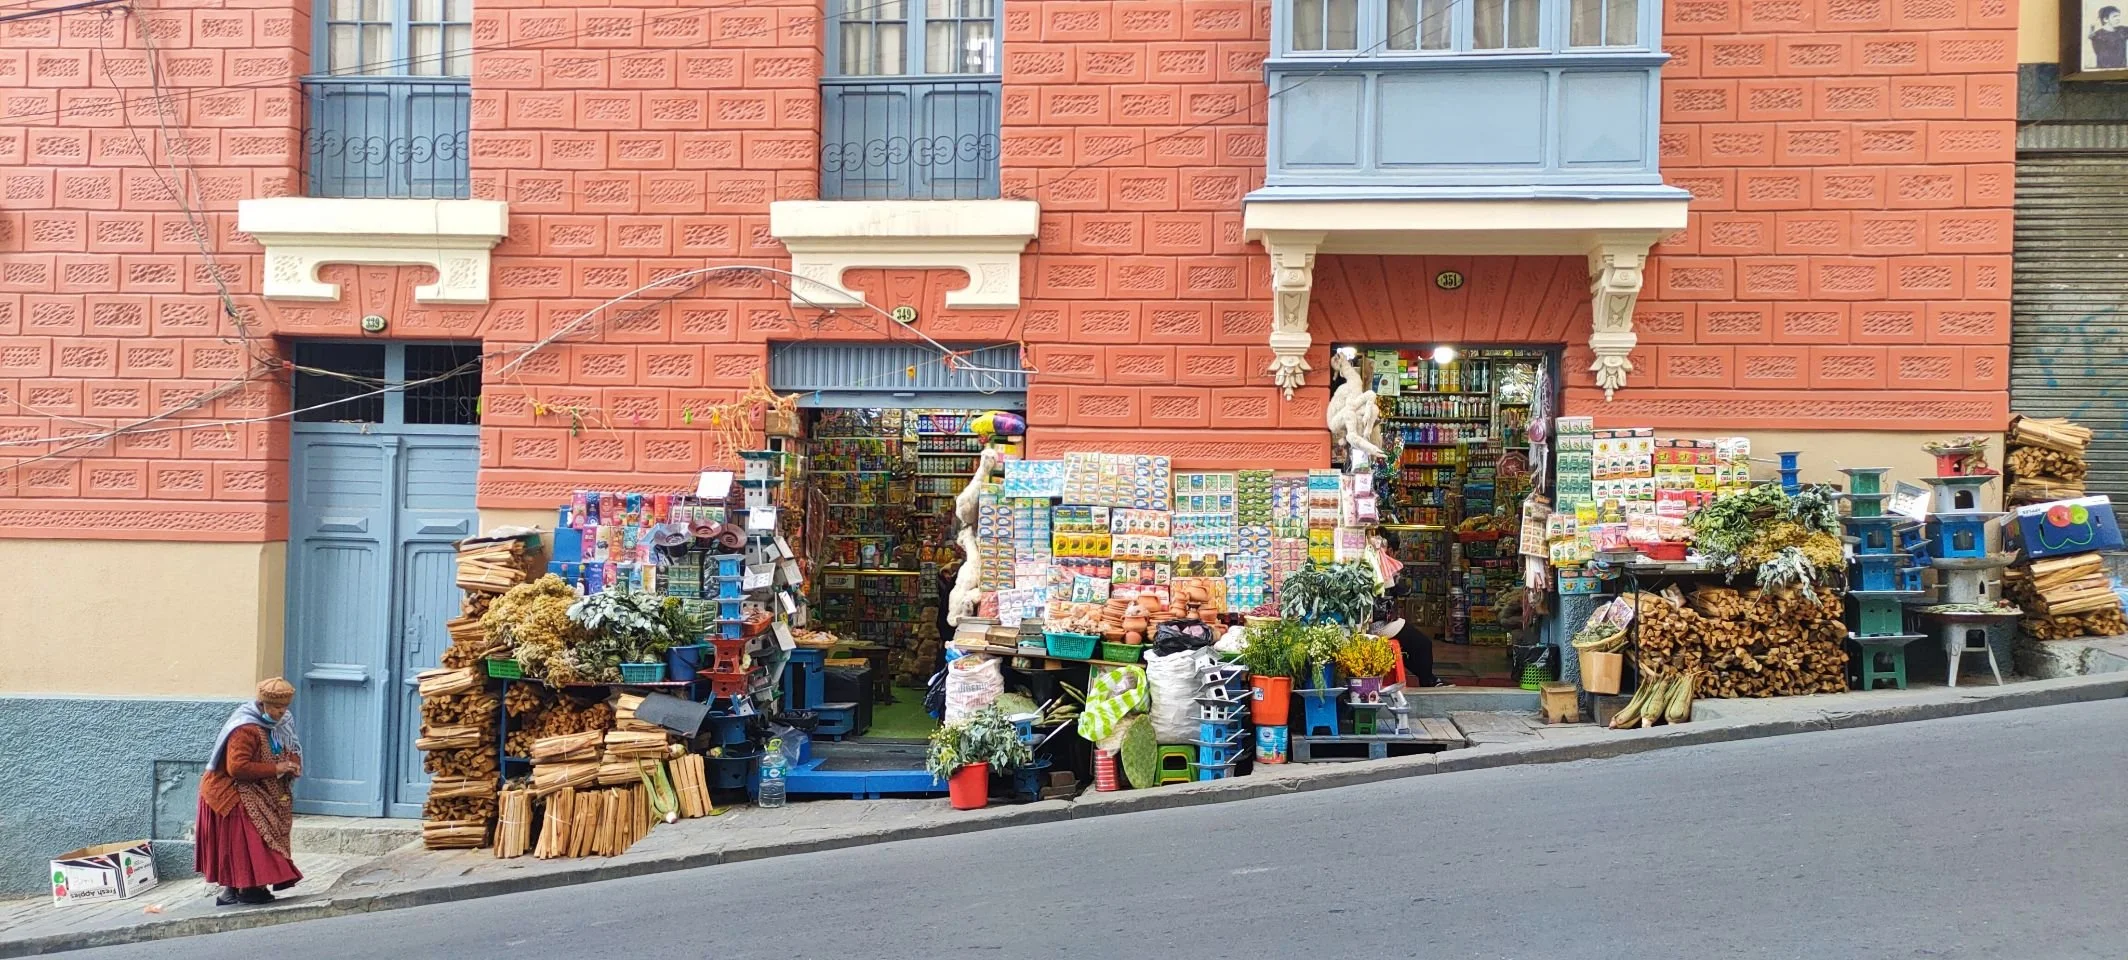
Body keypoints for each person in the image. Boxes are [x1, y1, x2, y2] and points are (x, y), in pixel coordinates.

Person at [198, 678, 304, 906]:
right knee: (249, 835)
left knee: (249, 838)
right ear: (263, 703)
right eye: (276, 708)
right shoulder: (244, 728)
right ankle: (246, 888)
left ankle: (239, 889)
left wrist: (293, 763)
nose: (281, 712)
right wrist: (276, 768)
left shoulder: (282, 723)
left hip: (256, 786)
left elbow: (291, 746)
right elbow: (237, 767)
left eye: (285, 707)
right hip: (228, 791)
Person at [1371, 594, 1451, 688]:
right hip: (1381, 625)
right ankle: (1428, 680)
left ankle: (1429, 678)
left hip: (1381, 622)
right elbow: (1402, 590)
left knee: (1405, 652)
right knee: (1424, 644)